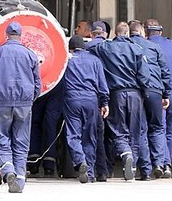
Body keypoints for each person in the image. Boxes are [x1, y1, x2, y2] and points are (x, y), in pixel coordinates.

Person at [0, 22, 41, 193]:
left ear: (6, 35)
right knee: (21, 142)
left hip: (1, 104)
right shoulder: (30, 55)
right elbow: (37, 85)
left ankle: (8, 170)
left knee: (2, 140)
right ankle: (18, 180)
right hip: (24, 105)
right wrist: (29, 100)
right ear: (20, 35)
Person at [88, 21, 150, 181]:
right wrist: (145, 93)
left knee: (117, 129)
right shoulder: (137, 49)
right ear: (128, 33)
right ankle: (133, 167)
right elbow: (144, 75)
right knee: (135, 131)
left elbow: (90, 47)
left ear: (115, 33)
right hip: (135, 94)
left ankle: (125, 153)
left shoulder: (106, 47)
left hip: (116, 94)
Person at [63, 35, 109, 183]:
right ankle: (89, 172)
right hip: (91, 100)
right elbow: (102, 85)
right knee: (90, 136)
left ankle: (80, 160)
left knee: (73, 135)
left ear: (71, 48)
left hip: (72, 100)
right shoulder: (95, 60)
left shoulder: (67, 60)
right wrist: (105, 103)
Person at [128, 20, 170, 180]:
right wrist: (165, 94)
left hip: (137, 91)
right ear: (142, 32)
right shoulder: (154, 47)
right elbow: (164, 72)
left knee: (140, 130)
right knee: (158, 128)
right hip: (155, 91)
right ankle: (159, 164)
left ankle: (144, 169)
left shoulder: (128, 46)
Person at [145, 18, 172, 178]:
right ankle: (168, 165)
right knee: (169, 130)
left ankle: (159, 162)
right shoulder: (171, 45)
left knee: (158, 127)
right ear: (161, 30)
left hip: (159, 92)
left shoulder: (147, 46)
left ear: (146, 31)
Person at [84, 20, 111, 181]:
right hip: (111, 94)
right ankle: (105, 169)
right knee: (107, 136)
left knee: (90, 135)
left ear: (91, 34)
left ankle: (91, 170)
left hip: (93, 97)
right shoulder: (112, 47)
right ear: (106, 34)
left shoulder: (85, 49)